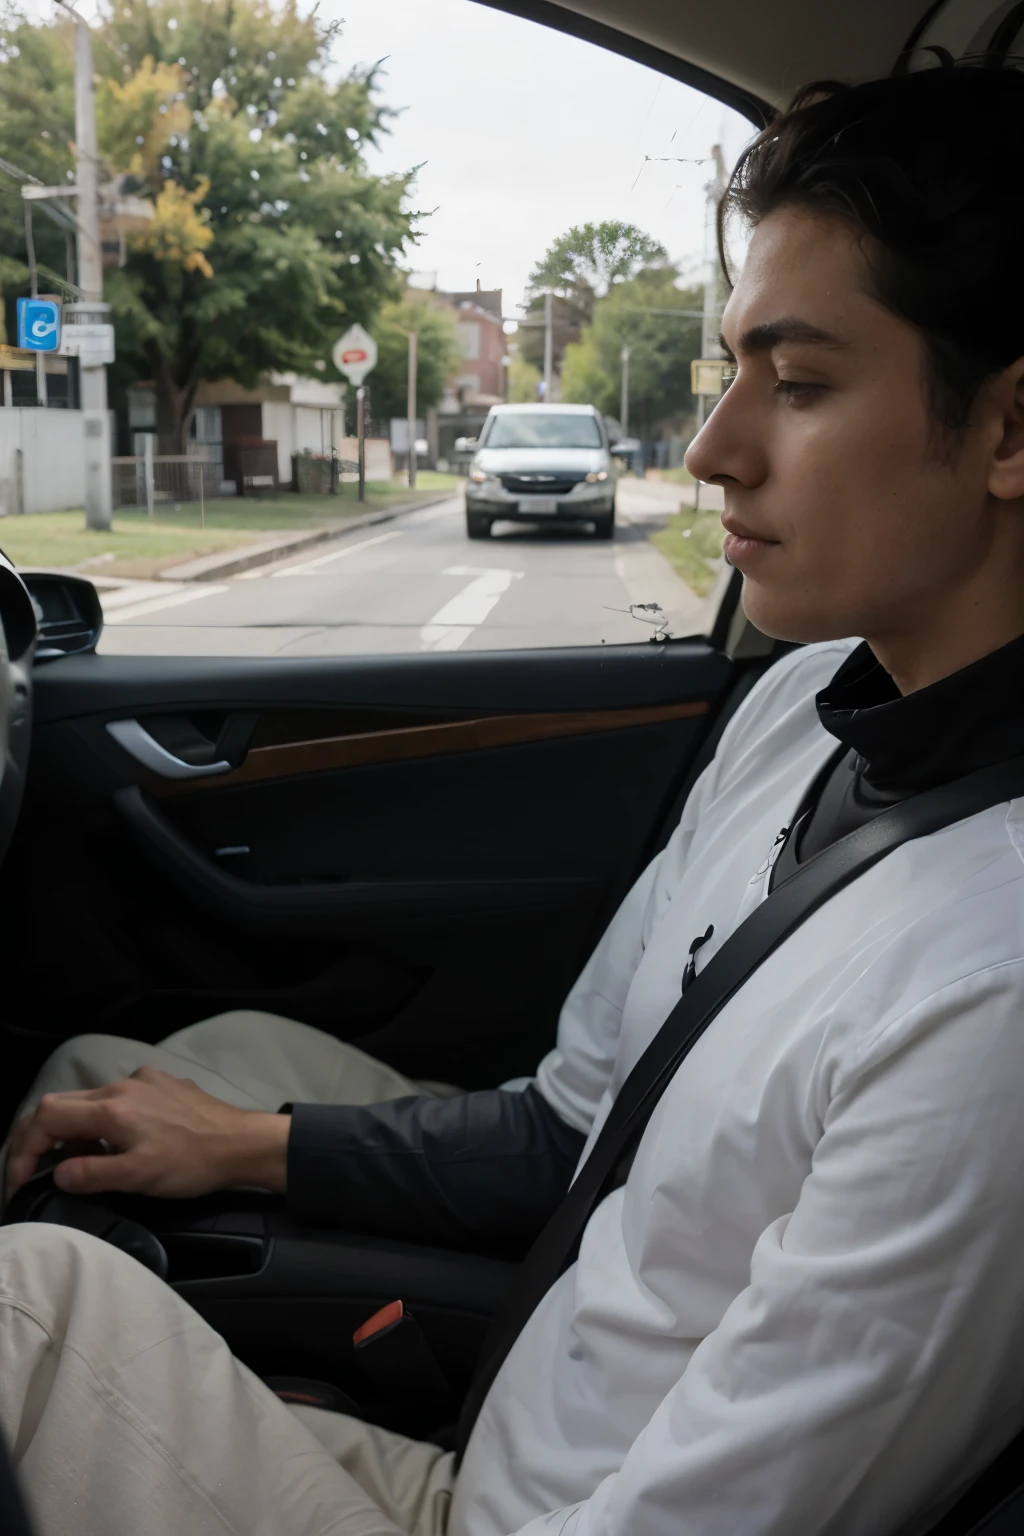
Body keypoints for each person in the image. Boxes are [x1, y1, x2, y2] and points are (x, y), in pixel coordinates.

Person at [6, 62, 1024, 1536]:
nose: (709, 449)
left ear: (1007, 434)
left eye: (798, 386)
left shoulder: (984, 1003)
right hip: (491, 1432)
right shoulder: (810, 707)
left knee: (26, 1312)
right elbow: (577, 1130)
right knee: (93, 1086)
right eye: (733, 369)